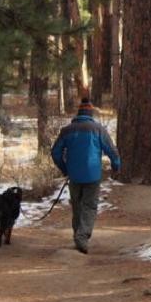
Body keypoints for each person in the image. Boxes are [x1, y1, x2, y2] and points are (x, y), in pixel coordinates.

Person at [51, 98, 121, 254]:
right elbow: (112, 150)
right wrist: (116, 166)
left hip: (74, 176)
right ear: (90, 114)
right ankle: (82, 237)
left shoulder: (67, 130)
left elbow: (55, 152)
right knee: (89, 206)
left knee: (77, 206)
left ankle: (78, 235)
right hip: (93, 175)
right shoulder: (98, 129)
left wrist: (65, 168)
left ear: (78, 113)